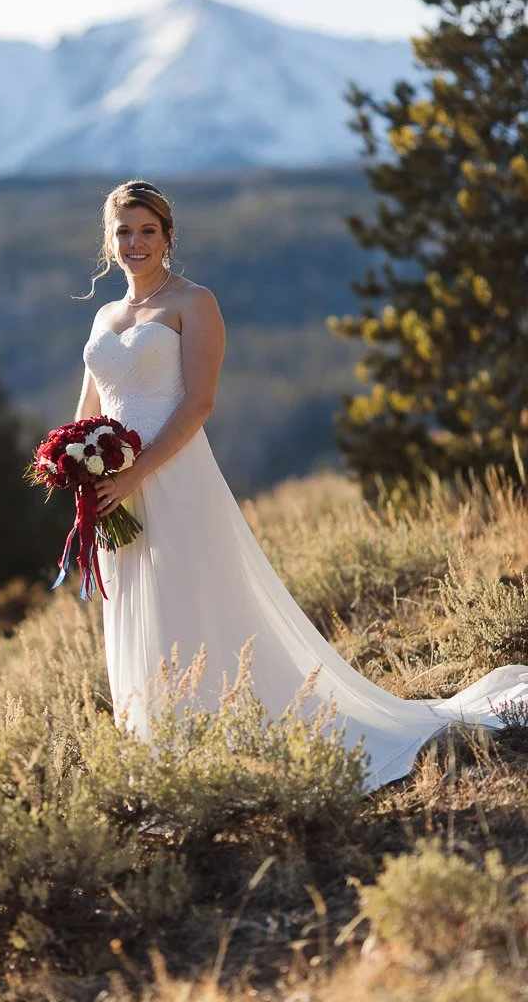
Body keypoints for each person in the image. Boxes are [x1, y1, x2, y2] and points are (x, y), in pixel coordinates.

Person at [74, 179, 528, 790]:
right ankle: (159, 754)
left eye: (147, 231)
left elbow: (199, 403)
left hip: (172, 473)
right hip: (111, 491)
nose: (135, 242)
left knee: (188, 599)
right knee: (132, 601)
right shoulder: (105, 316)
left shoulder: (193, 302)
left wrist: (136, 471)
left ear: (168, 237)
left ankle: (224, 737)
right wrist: (74, 466)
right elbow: (88, 409)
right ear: (109, 241)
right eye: (124, 232)